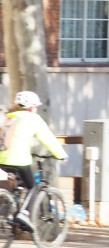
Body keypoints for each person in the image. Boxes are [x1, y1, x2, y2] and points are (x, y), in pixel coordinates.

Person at [0, 91, 68, 231]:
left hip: (2, 159)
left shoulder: (8, 117)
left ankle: (11, 207)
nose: (36, 109)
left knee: (17, 185)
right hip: (18, 159)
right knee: (32, 187)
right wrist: (61, 155)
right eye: (36, 106)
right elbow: (48, 138)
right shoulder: (33, 118)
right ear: (31, 107)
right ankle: (23, 214)